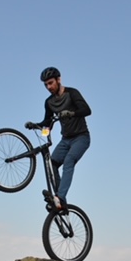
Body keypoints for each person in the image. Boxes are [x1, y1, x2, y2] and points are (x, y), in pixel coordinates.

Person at [25, 67, 92, 211]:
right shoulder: (49, 102)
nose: (49, 87)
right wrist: (36, 126)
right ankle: (60, 202)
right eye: (46, 85)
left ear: (58, 80)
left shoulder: (72, 93)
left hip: (81, 138)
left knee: (69, 160)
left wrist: (71, 113)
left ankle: (60, 196)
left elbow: (87, 110)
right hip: (65, 140)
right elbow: (48, 125)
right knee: (52, 164)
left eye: (50, 83)